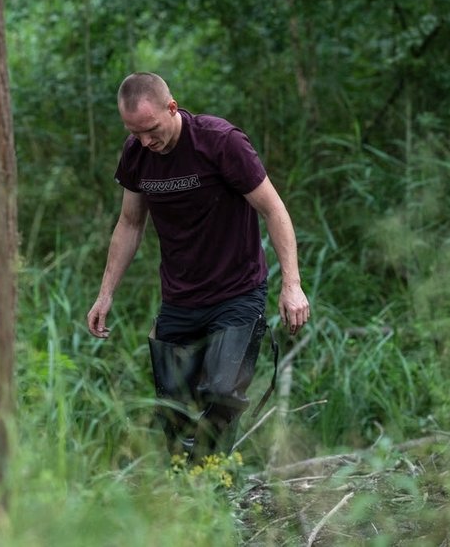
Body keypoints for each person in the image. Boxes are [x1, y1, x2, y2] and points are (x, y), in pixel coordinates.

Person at [86, 72, 309, 462]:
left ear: (172, 107)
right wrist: (106, 293)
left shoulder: (219, 142)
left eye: (151, 130)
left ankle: (212, 483)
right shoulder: (137, 154)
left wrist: (292, 284)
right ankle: (186, 497)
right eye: (134, 133)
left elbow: (273, 209)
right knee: (174, 410)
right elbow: (130, 223)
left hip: (237, 292)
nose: (145, 142)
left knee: (222, 393)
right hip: (180, 298)